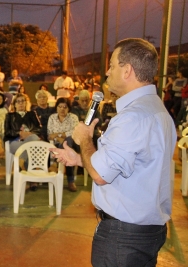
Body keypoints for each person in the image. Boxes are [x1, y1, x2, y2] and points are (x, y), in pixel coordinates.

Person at [51, 38, 175, 266]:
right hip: (148, 230)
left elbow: (99, 174)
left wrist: (85, 140)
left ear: (127, 70)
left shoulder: (132, 117)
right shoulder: (157, 109)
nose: (107, 72)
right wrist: (80, 159)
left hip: (123, 236)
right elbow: (134, 165)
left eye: (112, 65)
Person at [4, 93, 42, 191]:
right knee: (31, 147)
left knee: (33, 139)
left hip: (31, 140)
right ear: (14, 104)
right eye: (18, 101)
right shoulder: (10, 116)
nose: (21, 103)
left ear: (26, 103)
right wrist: (19, 133)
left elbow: (39, 129)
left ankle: (22, 166)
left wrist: (29, 134)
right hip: (15, 142)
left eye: (23, 101)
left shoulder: (32, 114)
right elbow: (7, 132)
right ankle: (32, 178)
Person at [47, 98, 79, 191]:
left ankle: (55, 164)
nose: (62, 109)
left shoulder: (73, 117)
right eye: (60, 107)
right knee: (67, 152)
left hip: (72, 144)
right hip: (55, 144)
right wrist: (59, 138)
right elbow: (49, 135)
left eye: (65, 107)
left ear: (68, 108)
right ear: (56, 108)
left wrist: (58, 135)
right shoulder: (52, 118)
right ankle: (70, 181)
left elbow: (74, 132)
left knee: (67, 145)